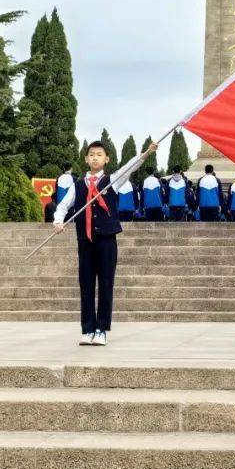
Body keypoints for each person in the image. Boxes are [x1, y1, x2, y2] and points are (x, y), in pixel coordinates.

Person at [52, 140, 155, 345]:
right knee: (86, 285)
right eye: (91, 154)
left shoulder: (111, 181)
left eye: (99, 154)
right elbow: (63, 205)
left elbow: (129, 167)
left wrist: (146, 154)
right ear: (86, 159)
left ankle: (101, 329)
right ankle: (87, 329)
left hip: (107, 241)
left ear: (106, 159)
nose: (95, 157)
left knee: (106, 284)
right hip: (85, 241)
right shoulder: (78, 185)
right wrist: (58, 220)